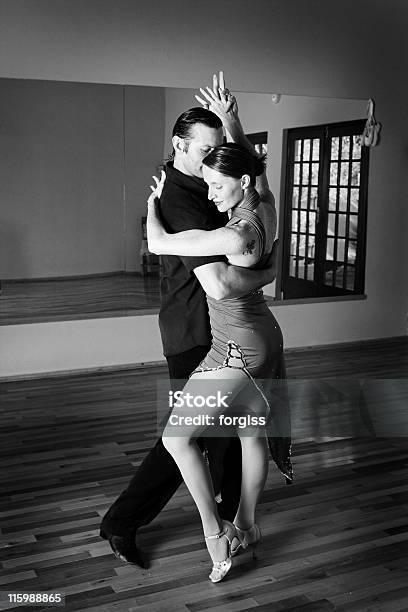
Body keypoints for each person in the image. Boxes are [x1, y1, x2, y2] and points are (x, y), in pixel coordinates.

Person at [99, 73, 280, 569]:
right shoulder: (180, 198)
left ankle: (234, 524)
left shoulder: (214, 184)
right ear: (180, 146)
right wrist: (266, 270)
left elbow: (249, 176)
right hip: (195, 332)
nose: (212, 161)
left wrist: (232, 124)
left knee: (222, 433)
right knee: (188, 437)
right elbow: (219, 283)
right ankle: (124, 521)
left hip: (229, 333)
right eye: (206, 150)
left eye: (218, 151)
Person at [146, 81, 292, 583]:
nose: (210, 194)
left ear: (242, 182)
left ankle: (216, 533)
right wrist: (232, 122)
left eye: (217, 185)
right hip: (262, 334)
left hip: (239, 346)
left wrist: (153, 204)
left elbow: (165, 244)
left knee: (176, 438)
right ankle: (247, 526)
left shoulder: (234, 232)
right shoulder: (265, 201)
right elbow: (255, 165)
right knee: (251, 435)